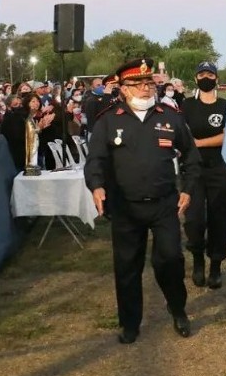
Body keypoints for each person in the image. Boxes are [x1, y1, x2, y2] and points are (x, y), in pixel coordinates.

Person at [84, 58, 202, 343]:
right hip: (126, 207)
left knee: (170, 259)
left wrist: (187, 189)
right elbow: (95, 160)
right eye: (138, 84)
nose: (146, 88)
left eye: (149, 83)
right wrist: (97, 187)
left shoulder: (170, 116)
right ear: (123, 89)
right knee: (127, 267)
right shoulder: (109, 120)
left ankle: (177, 309)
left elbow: (191, 158)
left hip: (164, 204)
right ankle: (130, 323)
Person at [181, 62, 226, 289]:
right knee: (193, 218)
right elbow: (181, 134)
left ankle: (215, 266)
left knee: (219, 217)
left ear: (216, 79)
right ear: (196, 79)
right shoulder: (186, 105)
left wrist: (198, 143)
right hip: (193, 170)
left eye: (210, 74)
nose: (206, 77)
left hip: (220, 168)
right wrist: (191, 146)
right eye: (201, 74)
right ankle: (198, 260)